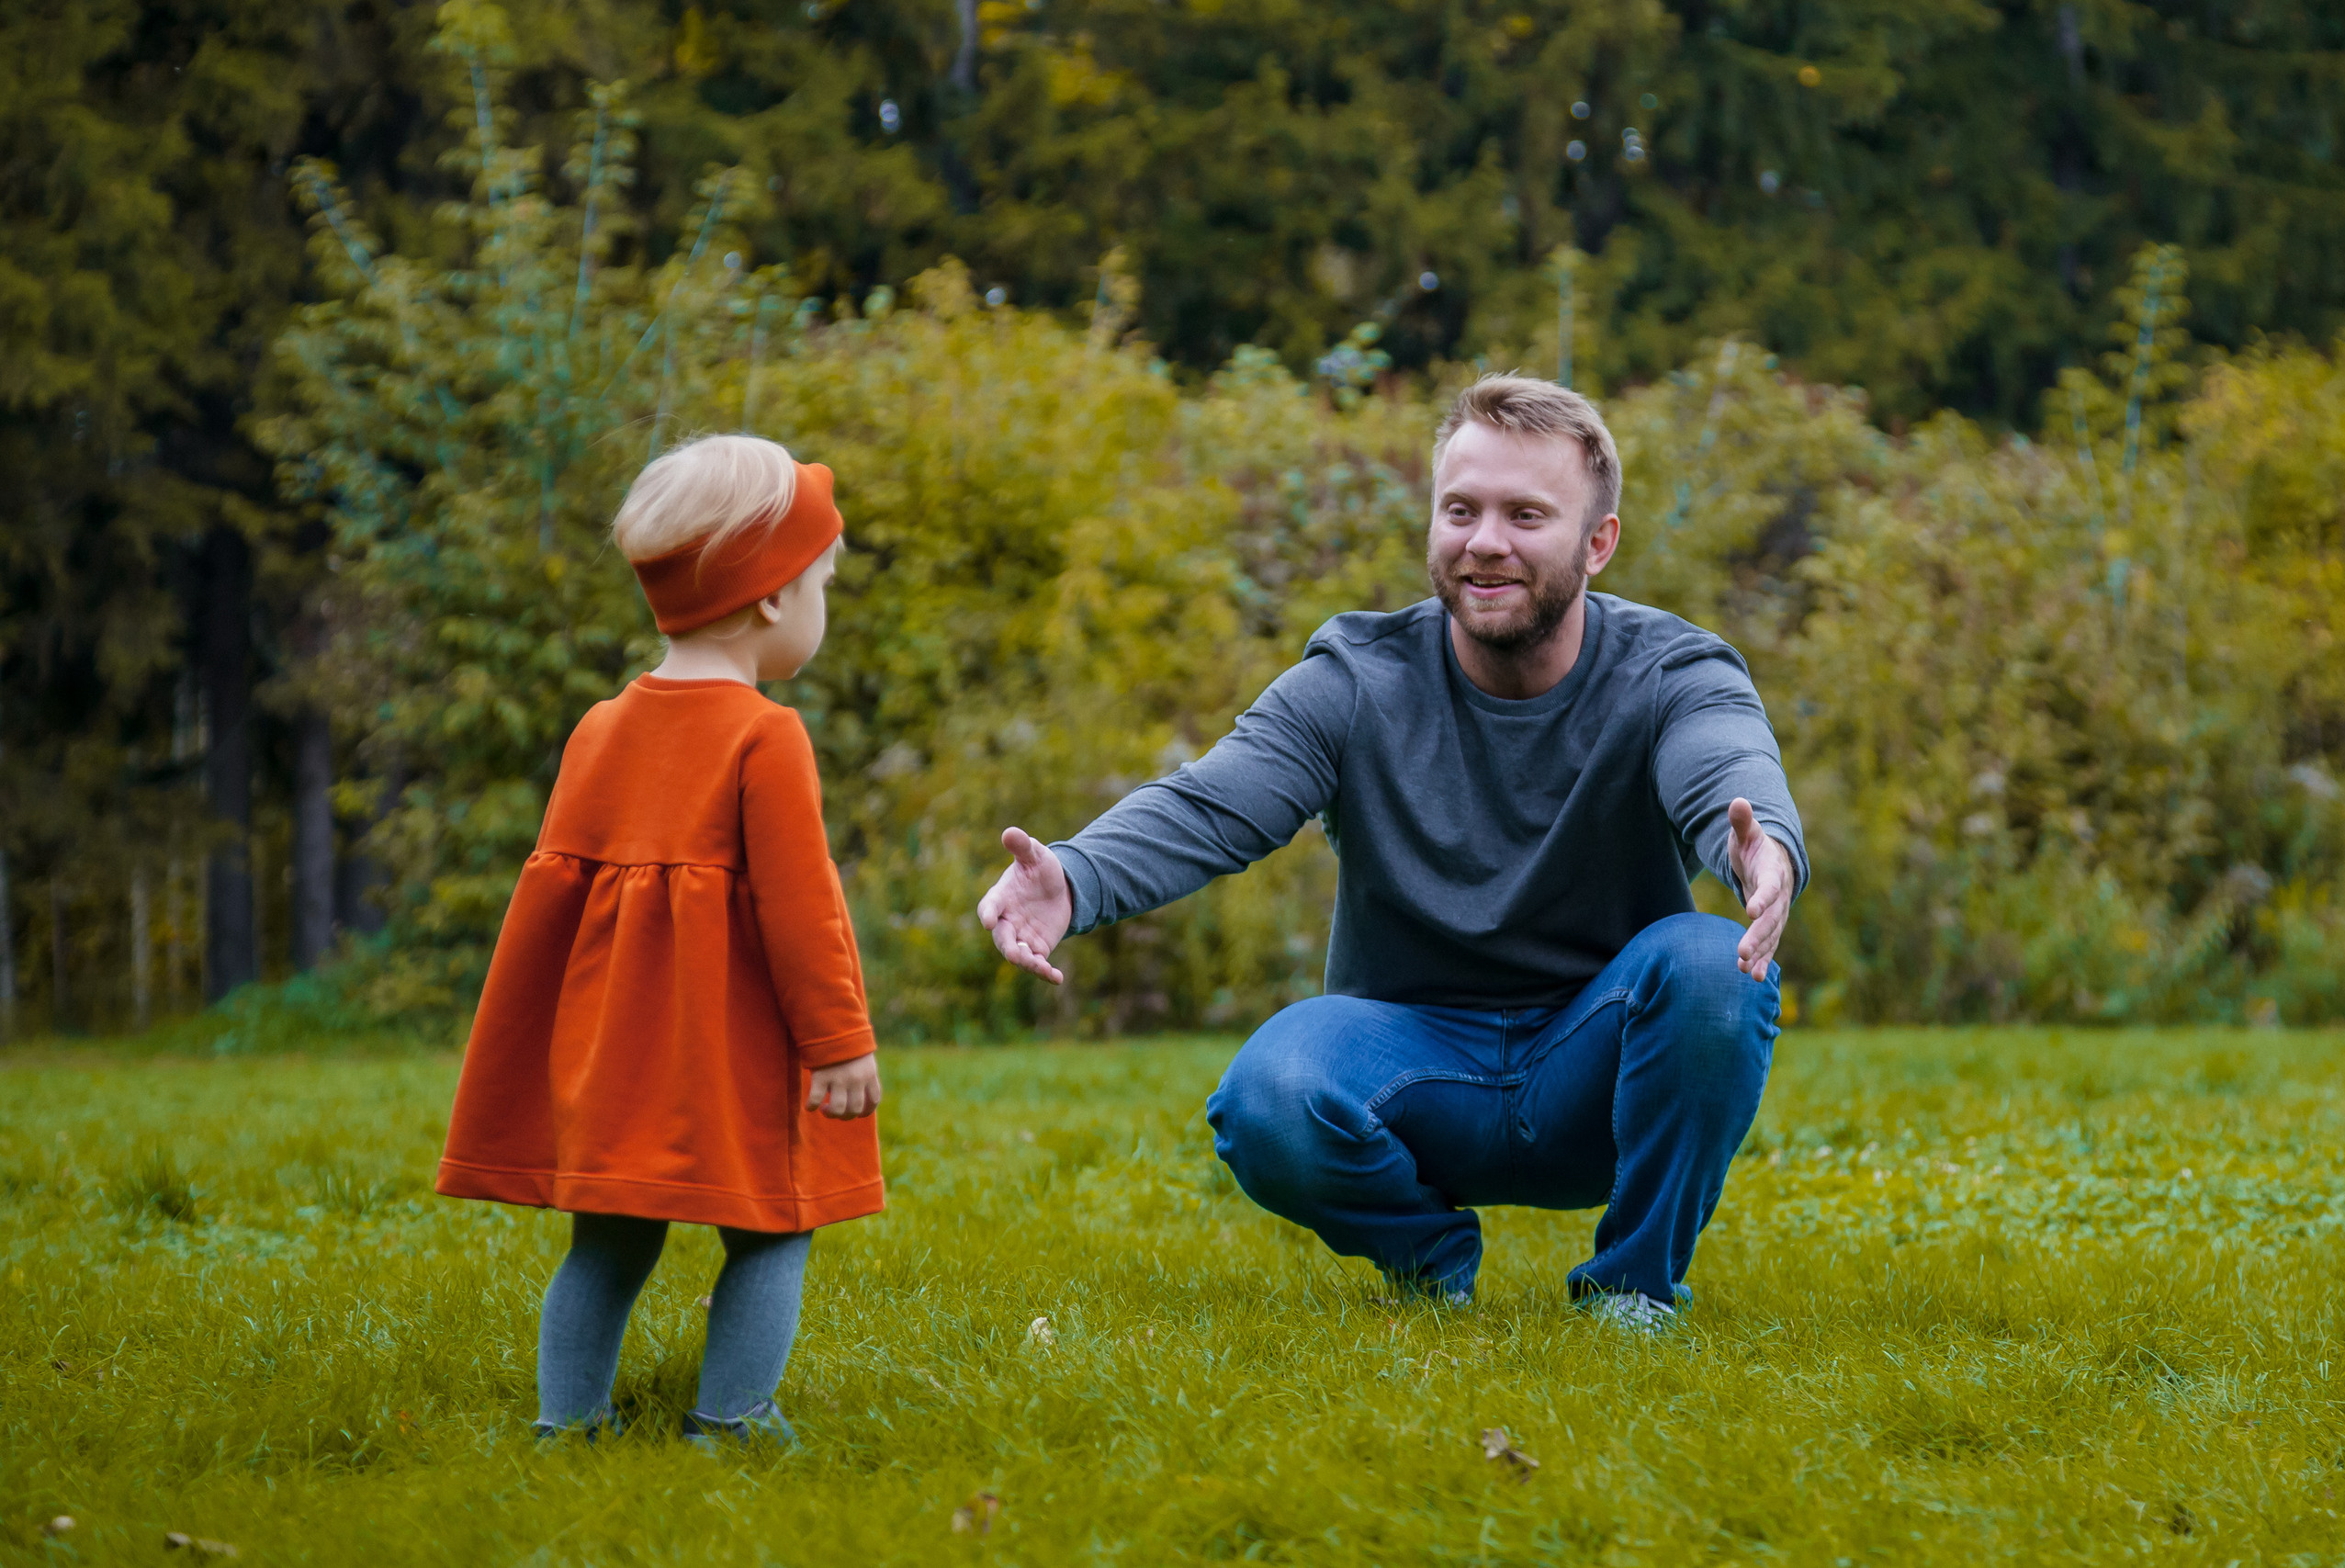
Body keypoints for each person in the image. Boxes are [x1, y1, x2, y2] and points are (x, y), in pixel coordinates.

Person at [978, 374, 1802, 1330]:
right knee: (1268, 1092)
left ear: (1598, 542)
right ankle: (1430, 1259)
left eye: (1525, 514)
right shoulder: (1357, 679)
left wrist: (1764, 850)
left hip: (1601, 1073)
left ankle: (1632, 1291)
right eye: (1461, 509)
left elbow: (1723, 759)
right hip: (1410, 1072)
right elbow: (1217, 800)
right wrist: (1075, 876)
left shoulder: (1669, 669)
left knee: (1715, 967)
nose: (1484, 540)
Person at [436, 434, 885, 1442]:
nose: (819, 606)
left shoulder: (599, 727)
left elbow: (553, 913)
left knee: (607, 1242)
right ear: (772, 598)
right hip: (729, 1057)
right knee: (773, 1227)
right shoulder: (765, 735)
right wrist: (838, 1042)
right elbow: (800, 908)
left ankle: (569, 1424)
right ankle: (731, 1421)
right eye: (819, 584)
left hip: (616, 1057)